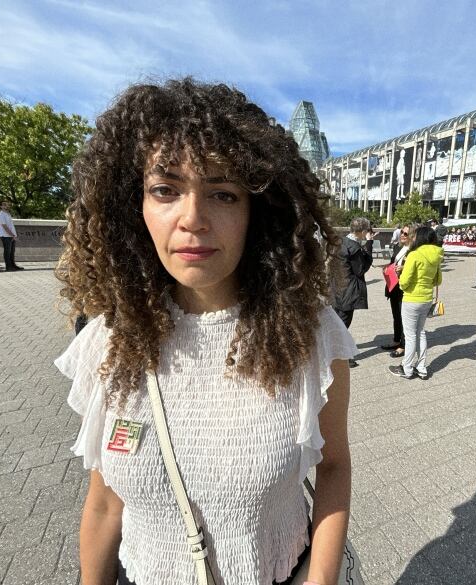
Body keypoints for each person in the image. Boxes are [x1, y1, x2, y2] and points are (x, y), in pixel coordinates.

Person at [54, 79, 356, 585]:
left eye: (222, 193)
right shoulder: (109, 341)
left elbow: (334, 468)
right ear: (134, 207)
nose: (192, 219)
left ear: (257, 211)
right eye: (165, 190)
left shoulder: (311, 336)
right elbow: (105, 504)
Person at [388, 226, 442, 380]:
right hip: (426, 299)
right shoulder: (437, 255)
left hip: (412, 299)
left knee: (410, 335)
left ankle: (406, 368)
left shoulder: (414, 255)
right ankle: (421, 367)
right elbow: (438, 280)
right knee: (421, 332)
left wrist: (402, 275)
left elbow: (404, 283)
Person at [333, 217, 374, 367]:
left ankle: (337, 353)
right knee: (343, 325)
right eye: (367, 232)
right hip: (348, 292)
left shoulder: (342, 242)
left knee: (337, 322)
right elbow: (361, 269)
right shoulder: (355, 247)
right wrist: (369, 244)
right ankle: (342, 357)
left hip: (336, 288)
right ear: (363, 231)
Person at [380, 224, 415, 358]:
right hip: (393, 285)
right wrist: (386, 267)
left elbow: (414, 269)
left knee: (403, 317)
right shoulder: (397, 247)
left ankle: (403, 345)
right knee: (396, 316)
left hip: (404, 288)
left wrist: (404, 269)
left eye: (406, 233)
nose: (402, 235)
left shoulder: (413, 251)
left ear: (412, 235)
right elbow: (391, 261)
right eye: (402, 232)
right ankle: (396, 340)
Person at [0, 200, 23, 271]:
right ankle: (8, 267)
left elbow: (10, 225)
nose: (6, 206)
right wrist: (12, 235)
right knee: (7, 252)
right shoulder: (1, 214)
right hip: (5, 236)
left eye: (7, 204)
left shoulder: (8, 214)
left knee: (12, 251)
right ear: (1, 206)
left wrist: (13, 235)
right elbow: (4, 226)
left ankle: (13, 265)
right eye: (4, 204)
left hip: (11, 236)